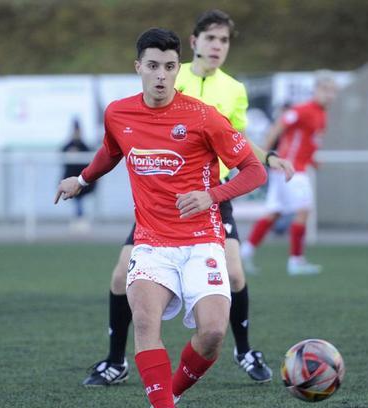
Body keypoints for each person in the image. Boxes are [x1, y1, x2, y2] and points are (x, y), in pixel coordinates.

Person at [56, 28, 267, 408]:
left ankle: (162, 404)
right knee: (146, 323)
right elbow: (112, 152)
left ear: (177, 69)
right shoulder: (118, 113)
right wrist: (81, 179)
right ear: (138, 68)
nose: (160, 76)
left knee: (212, 334)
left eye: (169, 67)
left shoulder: (204, 116)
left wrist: (211, 194)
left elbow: (254, 171)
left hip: (203, 241)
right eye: (152, 66)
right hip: (151, 242)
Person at [81, 9, 293, 388]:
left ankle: (243, 350)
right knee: (119, 276)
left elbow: (239, 144)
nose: (218, 47)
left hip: (210, 200)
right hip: (157, 202)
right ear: (193, 44)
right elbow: (118, 146)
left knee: (234, 272)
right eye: (211, 39)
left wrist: (270, 157)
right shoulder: (169, 79)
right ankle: (115, 360)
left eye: (224, 40)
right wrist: (82, 179)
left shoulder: (233, 91)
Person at [241, 72, 338, 276]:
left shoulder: (322, 115)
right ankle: (296, 261)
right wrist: (265, 155)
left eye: (332, 91)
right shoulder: (303, 110)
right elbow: (279, 126)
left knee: (275, 212)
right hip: (291, 168)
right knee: (303, 210)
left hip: (293, 167)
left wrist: (313, 160)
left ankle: (246, 252)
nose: (329, 95)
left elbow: (307, 143)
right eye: (325, 90)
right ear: (316, 90)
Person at [61, 119, 94, 232]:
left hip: (81, 181)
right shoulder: (68, 145)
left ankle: (80, 219)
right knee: (77, 201)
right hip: (71, 179)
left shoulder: (83, 146)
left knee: (79, 200)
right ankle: (78, 219)